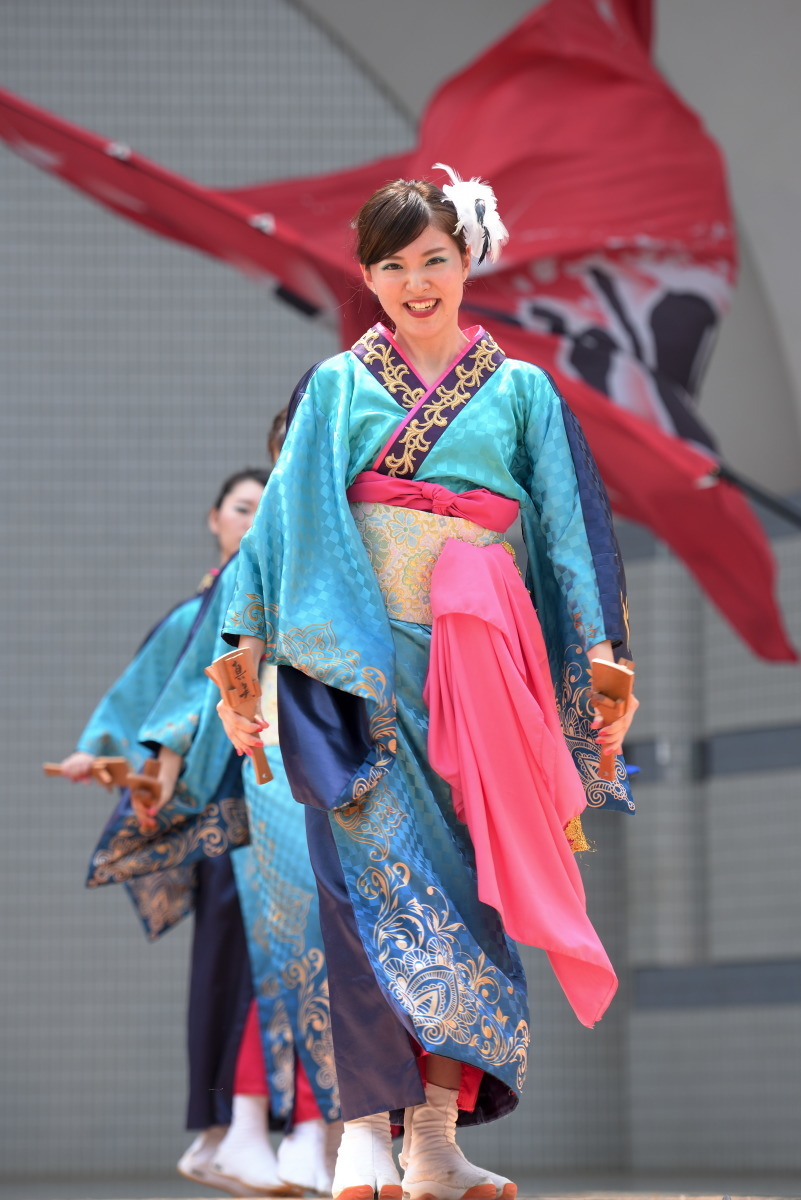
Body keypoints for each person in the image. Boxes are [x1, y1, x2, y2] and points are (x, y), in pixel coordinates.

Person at [215, 168, 639, 1200]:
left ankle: (436, 1138)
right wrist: (245, 640)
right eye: (394, 266)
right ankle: (364, 1130)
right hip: (353, 664)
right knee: (358, 889)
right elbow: (281, 527)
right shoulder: (338, 386)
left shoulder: (522, 391)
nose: (417, 282)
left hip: (480, 666)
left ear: (467, 261)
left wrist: (596, 647)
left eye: (435, 260)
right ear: (368, 275)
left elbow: (573, 527)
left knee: (464, 891)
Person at [59, 469, 324, 1196]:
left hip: (282, 802)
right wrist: (111, 750)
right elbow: (158, 695)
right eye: (243, 508)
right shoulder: (211, 605)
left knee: (270, 964)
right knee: (238, 968)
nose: (256, 520)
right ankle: (233, 1129)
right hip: (230, 809)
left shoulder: (289, 594)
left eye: (269, 508)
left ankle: (238, 1134)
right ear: (214, 518)